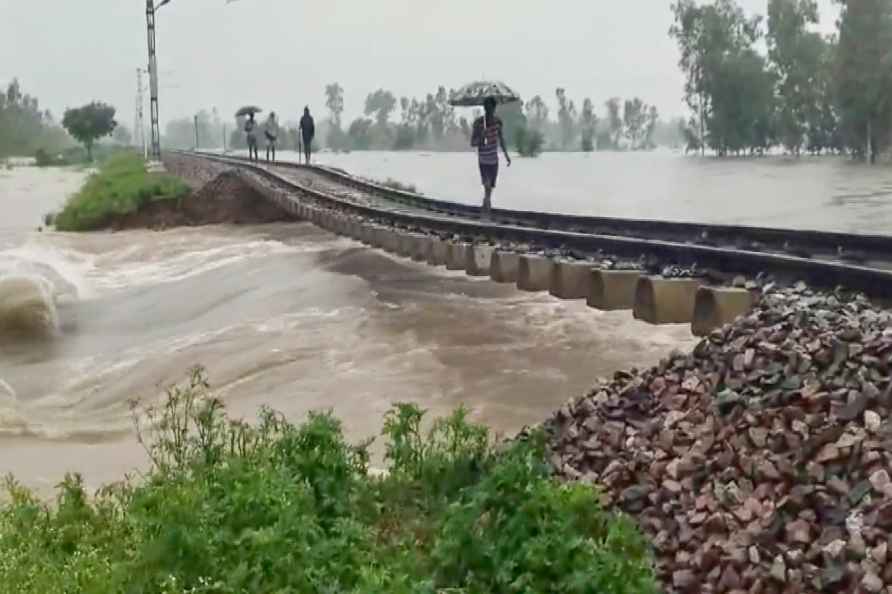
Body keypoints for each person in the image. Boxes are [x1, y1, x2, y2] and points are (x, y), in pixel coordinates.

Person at [471, 97, 511, 216]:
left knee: (490, 187)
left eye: (491, 108)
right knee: (487, 185)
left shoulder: (498, 122)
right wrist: (481, 137)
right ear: (484, 108)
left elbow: (501, 139)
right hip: (483, 159)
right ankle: (487, 207)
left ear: (494, 108)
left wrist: (506, 155)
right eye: (486, 108)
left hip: (494, 159)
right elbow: (473, 142)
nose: (489, 110)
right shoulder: (478, 123)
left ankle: (486, 203)